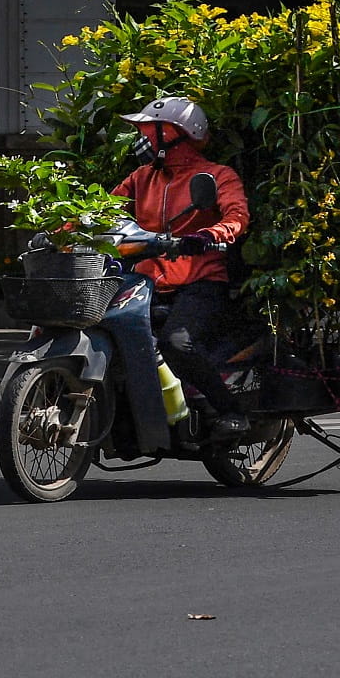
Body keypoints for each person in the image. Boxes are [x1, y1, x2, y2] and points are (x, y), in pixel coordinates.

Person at [110, 96, 252, 438]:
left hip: (200, 283)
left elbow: (237, 215)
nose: (141, 138)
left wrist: (209, 235)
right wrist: (63, 227)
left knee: (176, 343)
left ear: (177, 135)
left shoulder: (218, 175)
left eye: (148, 131)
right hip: (145, 282)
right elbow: (104, 209)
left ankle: (231, 411)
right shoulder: (141, 178)